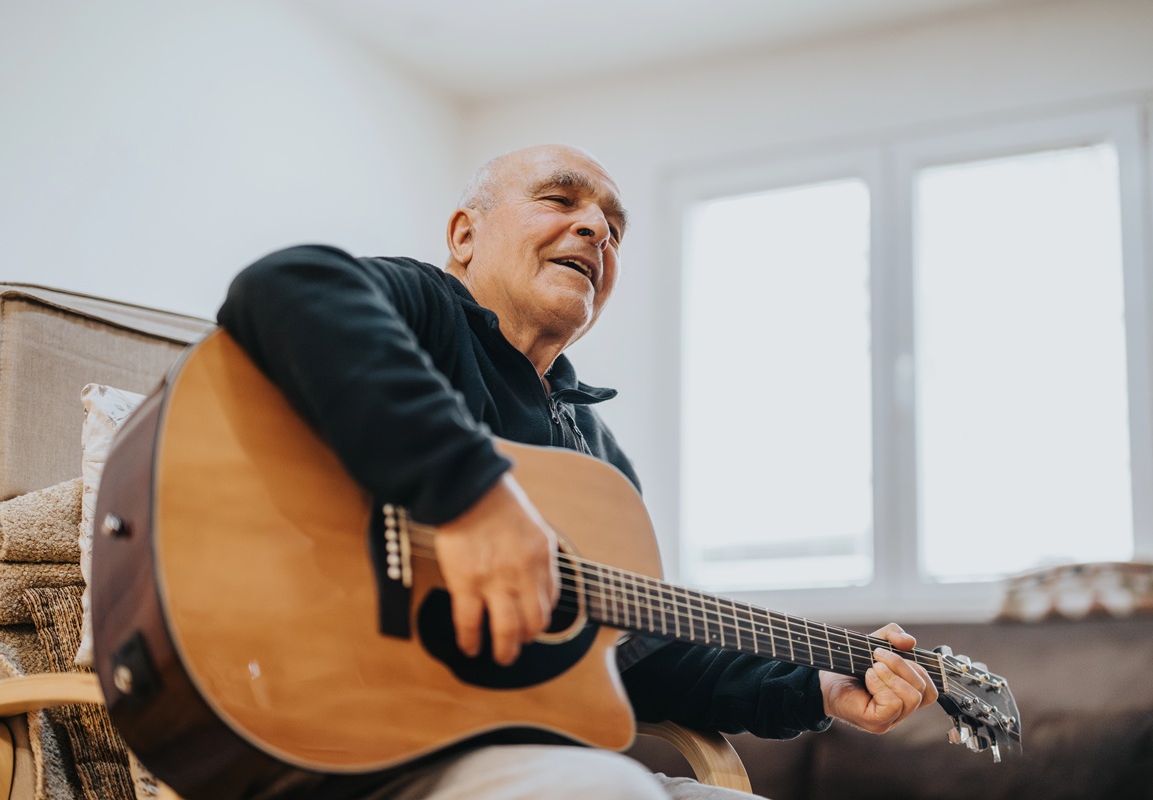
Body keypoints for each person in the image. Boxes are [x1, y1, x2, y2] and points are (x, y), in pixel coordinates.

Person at [217, 144, 938, 799]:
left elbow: (639, 655)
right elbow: (287, 287)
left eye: (613, 228)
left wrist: (816, 685)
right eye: (561, 202)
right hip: (332, 736)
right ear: (465, 235)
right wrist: (475, 499)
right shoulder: (426, 311)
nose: (596, 229)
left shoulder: (596, 458)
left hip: (508, 754)